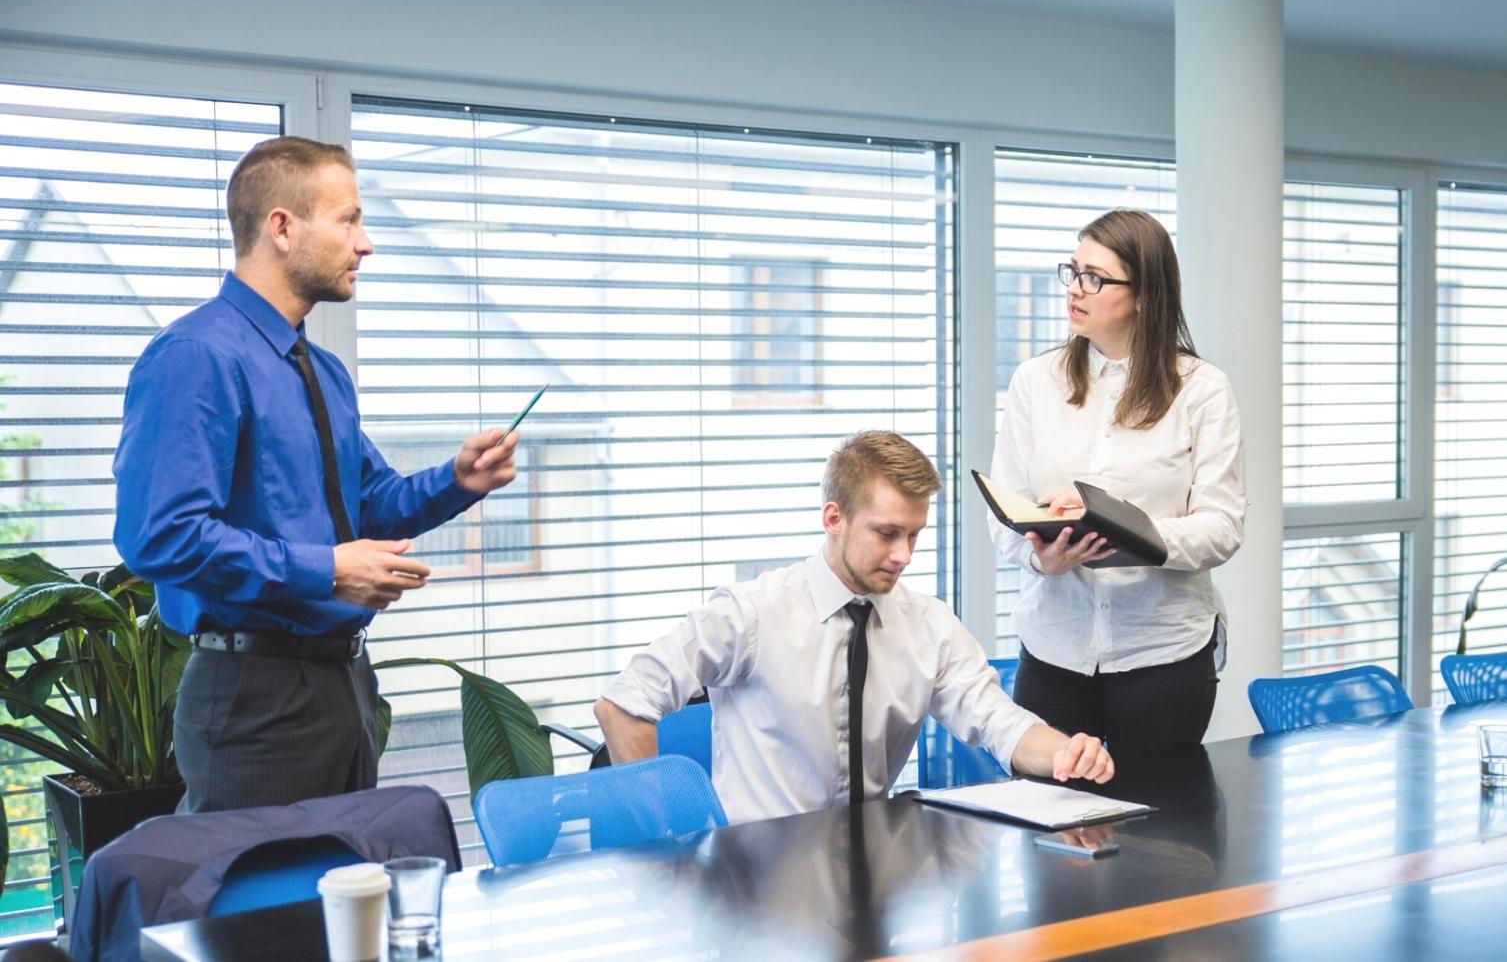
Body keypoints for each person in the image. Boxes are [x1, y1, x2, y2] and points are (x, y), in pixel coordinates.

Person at [113, 136, 521, 812]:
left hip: (343, 685)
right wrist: (327, 571)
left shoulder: (321, 371)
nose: (365, 244)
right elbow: (159, 536)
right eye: (348, 219)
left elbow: (367, 505)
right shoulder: (195, 357)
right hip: (253, 696)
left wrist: (457, 479)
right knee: (263, 913)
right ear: (282, 226)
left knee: (339, 901)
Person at [595, 430, 1113, 825]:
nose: (903, 555)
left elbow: (1002, 724)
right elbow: (622, 706)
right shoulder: (750, 614)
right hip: (757, 879)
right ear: (833, 518)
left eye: (913, 535)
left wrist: (1064, 751)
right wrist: (669, 839)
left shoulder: (927, 625)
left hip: (873, 872)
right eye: (887, 533)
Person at [990, 208, 1245, 755]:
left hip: (1163, 656)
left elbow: (1222, 528)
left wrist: (1130, 534)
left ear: (1146, 295)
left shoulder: (1202, 389)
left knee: (1165, 829)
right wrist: (1043, 557)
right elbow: (1006, 514)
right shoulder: (1035, 382)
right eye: (1073, 271)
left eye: (1096, 278)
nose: (1075, 290)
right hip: (1053, 650)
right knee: (1048, 822)